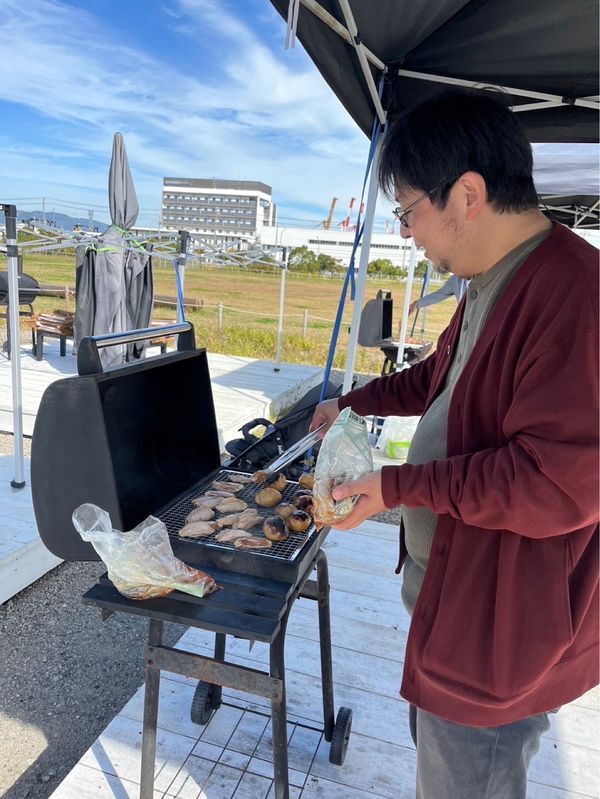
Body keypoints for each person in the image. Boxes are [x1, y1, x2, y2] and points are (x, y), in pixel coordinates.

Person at [310, 88, 599, 799]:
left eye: (409, 211)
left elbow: (552, 482)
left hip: (505, 630)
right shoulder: (486, 282)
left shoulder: (576, 295)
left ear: (467, 194)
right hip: (455, 598)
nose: (406, 232)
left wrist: (395, 487)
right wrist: (349, 402)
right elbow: (436, 381)